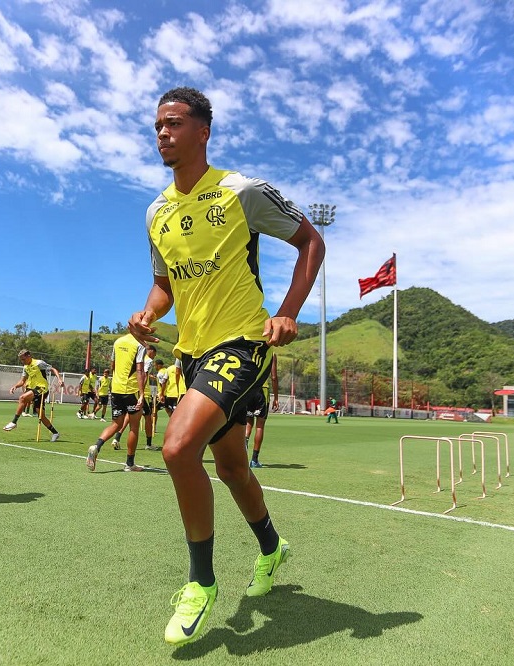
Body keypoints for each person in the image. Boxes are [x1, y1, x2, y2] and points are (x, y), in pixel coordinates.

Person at [129, 87, 325, 646]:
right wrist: (147, 313)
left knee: (175, 448)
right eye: (157, 126)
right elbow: (165, 286)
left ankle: (201, 583)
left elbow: (311, 241)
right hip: (191, 355)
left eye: (173, 124)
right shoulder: (156, 212)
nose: (162, 133)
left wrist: (287, 313)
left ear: (202, 132)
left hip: (241, 346)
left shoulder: (240, 191)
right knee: (234, 469)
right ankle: (272, 549)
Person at [86, 334, 147, 472]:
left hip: (116, 389)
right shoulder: (140, 344)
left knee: (116, 423)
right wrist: (142, 394)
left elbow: (112, 365)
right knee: (134, 426)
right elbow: (139, 370)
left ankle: (96, 446)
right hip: (131, 390)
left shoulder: (118, 342)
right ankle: (130, 464)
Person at [2, 349, 63, 442]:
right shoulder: (25, 367)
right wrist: (15, 386)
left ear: (29, 356)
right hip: (33, 388)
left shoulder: (39, 363)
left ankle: (14, 422)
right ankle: (55, 433)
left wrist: (59, 379)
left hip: (42, 388)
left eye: (23, 359)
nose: (22, 362)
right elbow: (22, 381)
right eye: (21, 360)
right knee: (41, 415)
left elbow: (53, 369)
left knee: (22, 398)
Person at [245, 356, 279, 468]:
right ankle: (254, 460)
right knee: (259, 426)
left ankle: (243, 448)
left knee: (248, 423)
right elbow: (273, 377)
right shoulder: (271, 353)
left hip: (249, 389)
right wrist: (276, 398)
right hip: (262, 390)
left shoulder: (250, 349)